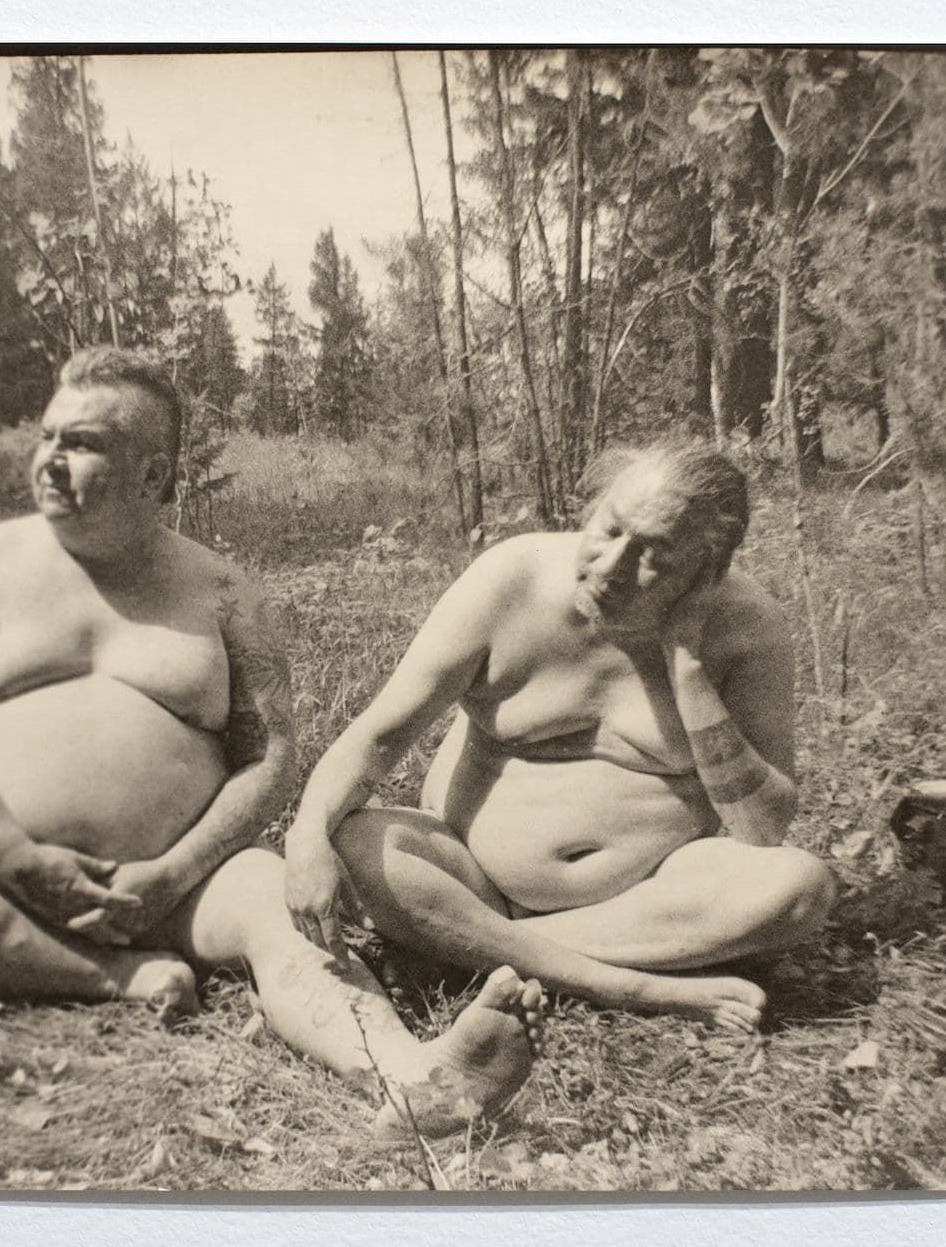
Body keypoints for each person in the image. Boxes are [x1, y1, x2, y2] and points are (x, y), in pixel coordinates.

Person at [0, 348, 540, 1137]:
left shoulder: (223, 593)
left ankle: (417, 1079)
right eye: (47, 437)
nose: (50, 460)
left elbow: (270, 756)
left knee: (276, 907)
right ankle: (115, 977)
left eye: (82, 443)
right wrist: (16, 858)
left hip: (184, 889)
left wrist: (171, 872)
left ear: (152, 476)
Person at [285, 439, 835, 1032]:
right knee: (358, 841)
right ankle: (632, 985)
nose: (612, 566)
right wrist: (306, 836)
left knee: (798, 888)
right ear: (592, 507)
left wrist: (689, 667)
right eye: (610, 529)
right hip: (472, 877)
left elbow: (763, 829)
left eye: (655, 555)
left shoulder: (748, 629)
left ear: (707, 572)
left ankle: (465, 950)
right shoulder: (510, 581)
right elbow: (378, 737)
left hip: (642, 902)